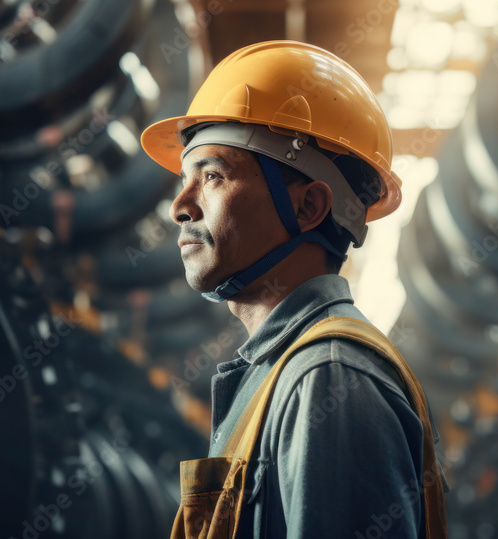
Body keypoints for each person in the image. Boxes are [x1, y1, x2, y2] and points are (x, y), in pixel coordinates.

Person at [141, 40, 449, 538]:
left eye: (213, 176)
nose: (181, 205)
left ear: (308, 209)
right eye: (185, 179)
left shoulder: (328, 378)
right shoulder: (282, 372)